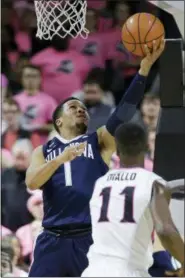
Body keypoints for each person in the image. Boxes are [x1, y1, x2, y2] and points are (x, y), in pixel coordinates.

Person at [26, 40, 165, 277]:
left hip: (89, 238)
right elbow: (32, 182)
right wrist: (59, 160)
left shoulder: (97, 140)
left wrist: (143, 70)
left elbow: (124, 111)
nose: (81, 109)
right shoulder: (44, 150)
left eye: (83, 108)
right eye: (73, 107)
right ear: (58, 121)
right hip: (52, 239)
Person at [82, 123, 184, 277]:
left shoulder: (100, 183)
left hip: (93, 271)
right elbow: (165, 230)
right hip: (129, 272)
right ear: (147, 146)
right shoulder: (154, 184)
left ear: (117, 149)